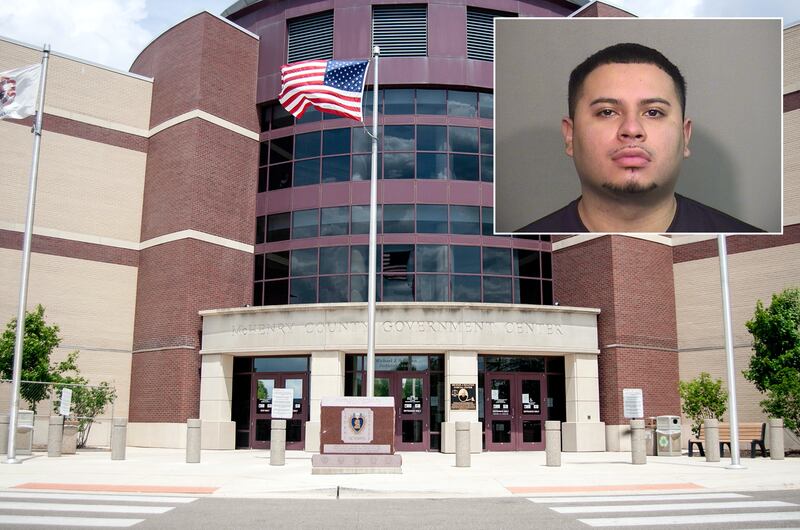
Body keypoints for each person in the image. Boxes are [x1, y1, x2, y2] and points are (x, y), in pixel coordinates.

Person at [516, 43, 762, 233]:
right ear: (570, 135)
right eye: (607, 112)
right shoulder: (524, 235)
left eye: (653, 112)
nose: (632, 129)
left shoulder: (740, 232)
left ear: (685, 136)